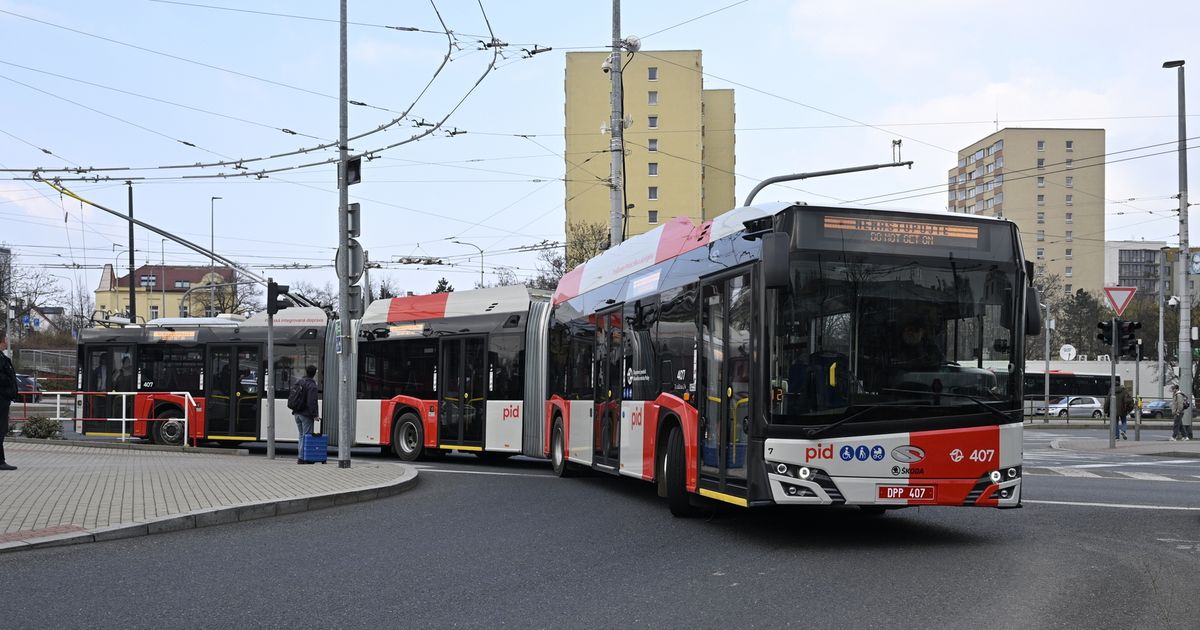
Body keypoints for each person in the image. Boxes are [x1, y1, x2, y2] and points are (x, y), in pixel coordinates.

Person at [292, 365, 320, 463]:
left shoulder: (300, 382)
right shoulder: (312, 385)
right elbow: (311, 402)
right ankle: (304, 458)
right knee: (307, 436)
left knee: (301, 435)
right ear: (315, 373)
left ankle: (301, 457)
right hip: (306, 415)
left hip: (297, 413)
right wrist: (315, 415)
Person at [0, 330, 19, 471]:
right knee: (0, 430)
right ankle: (0, 461)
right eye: (5, 339)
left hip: (3, 398)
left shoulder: (2, 357)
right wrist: (8, 385)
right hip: (1, 399)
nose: (7, 341)